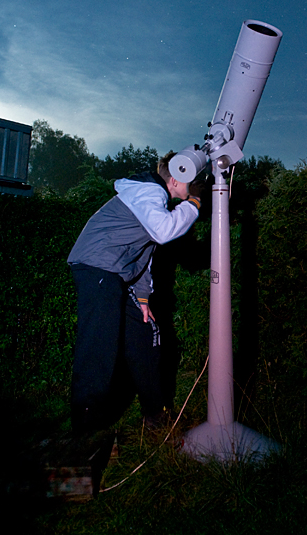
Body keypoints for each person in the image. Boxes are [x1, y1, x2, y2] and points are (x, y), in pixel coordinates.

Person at [67, 152, 201, 435]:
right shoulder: (149, 191)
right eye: (192, 181)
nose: (195, 185)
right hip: (97, 267)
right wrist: (195, 203)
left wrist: (142, 297)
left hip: (115, 272)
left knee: (145, 335)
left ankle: (155, 415)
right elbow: (164, 232)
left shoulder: (154, 200)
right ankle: (85, 429)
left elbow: (144, 253)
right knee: (98, 346)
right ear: (176, 179)